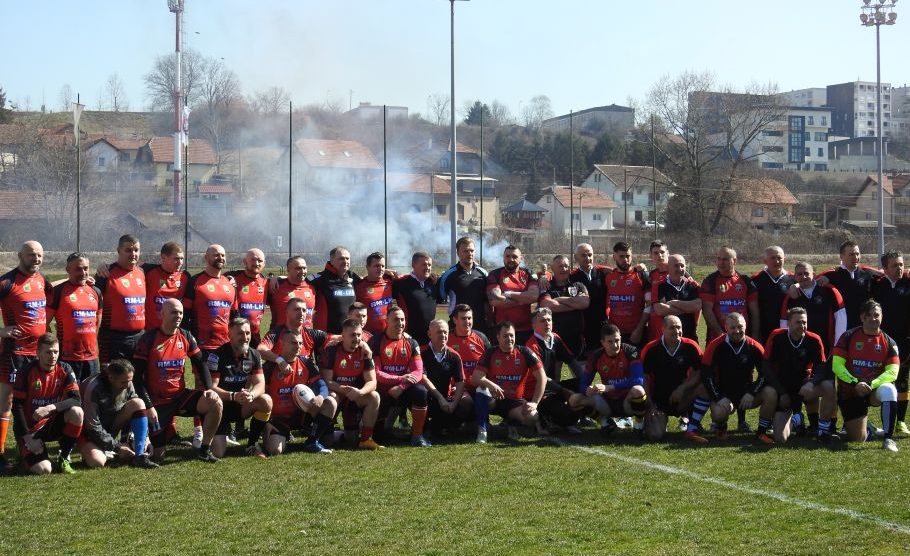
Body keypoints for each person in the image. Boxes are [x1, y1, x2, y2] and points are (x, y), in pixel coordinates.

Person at [132, 299, 223, 463]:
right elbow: (137, 378)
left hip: (180, 397)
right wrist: (149, 406)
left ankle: (204, 449)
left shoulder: (186, 335)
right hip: (157, 403)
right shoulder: (148, 339)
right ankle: (139, 438)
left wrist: (209, 388)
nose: (179, 316)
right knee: (158, 455)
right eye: (174, 312)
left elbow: (200, 364)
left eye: (181, 312)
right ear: (162, 314)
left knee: (215, 402)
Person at [0, 240, 53, 472]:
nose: (36, 259)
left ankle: (30, 447)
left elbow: (53, 297)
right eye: (31, 255)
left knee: (35, 401)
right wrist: (1, 331)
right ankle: (0, 454)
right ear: (19, 255)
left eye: (39, 255)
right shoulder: (7, 282)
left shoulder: (42, 280)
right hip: (14, 353)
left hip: (38, 352)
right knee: (7, 401)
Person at [689, 313, 777, 444]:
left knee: (771, 393)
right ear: (726, 328)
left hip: (746, 394)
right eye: (732, 327)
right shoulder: (715, 345)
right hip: (724, 393)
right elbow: (706, 375)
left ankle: (761, 432)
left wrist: (752, 392)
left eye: (740, 326)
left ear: (745, 326)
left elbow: (765, 374)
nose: (737, 331)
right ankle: (721, 428)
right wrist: (719, 397)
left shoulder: (755, 346)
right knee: (718, 413)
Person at [699, 246, 760, 432]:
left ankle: (742, 421)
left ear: (735, 261)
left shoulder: (746, 281)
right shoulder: (710, 281)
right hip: (719, 339)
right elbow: (707, 310)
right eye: (718, 258)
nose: (721, 262)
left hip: (742, 338)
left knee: (745, 374)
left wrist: (755, 336)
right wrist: (721, 334)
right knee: (718, 375)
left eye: (725, 259)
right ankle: (718, 419)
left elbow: (754, 311)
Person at [831, 300, 901, 451]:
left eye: (877, 315)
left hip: (872, 390)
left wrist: (871, 384)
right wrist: (855, 382)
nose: (873, 318)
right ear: (862, 317)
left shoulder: (889, 342)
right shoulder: (848, 336)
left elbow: (893, 372)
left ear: (882, 316)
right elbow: (837, 365)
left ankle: (888, 439)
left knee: (889, 390)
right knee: (858, 438)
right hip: (850, 391)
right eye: (869, 315)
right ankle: (868, 429)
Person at [11, 334, 83, 475]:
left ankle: (64, 458)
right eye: (48, 352)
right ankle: (23, 452)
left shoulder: (65, 369)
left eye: (56, 352)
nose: (53, 356)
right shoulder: (25, 372)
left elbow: (76, 399)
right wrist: (27, 437)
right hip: (30, 429)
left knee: (77, 412)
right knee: (44, 469)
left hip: (51, 424)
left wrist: (51, 407)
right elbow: (16, 406)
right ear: (38, 353)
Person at [764, 307, 836, 443]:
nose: (802, 325)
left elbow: (822, 367)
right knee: (780, 438)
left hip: (804, 386)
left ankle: (820, 429)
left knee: (828, 385)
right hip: (783, 387)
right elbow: (766, 367)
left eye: (804, 322)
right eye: (798, 322)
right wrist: (781, 392)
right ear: (788, 323)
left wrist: (811, 383)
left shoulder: (814, 339)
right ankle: (796, 418)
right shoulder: (777, 336)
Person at [207, 318, 273, 458]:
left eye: (248, 333)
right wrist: (233, 395)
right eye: (240, 333)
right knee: (218, 453)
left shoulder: (254, 354)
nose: (245, 337)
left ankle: (252, 444)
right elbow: (212, 388)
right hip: (219, 407)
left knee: (266, 400)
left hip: (241, 405)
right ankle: (213, 434)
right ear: (229, 334)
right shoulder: (216, 356)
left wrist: (251, 395)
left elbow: (260, 384)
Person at [263, 329, 337, 455]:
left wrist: (320, 396)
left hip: (303, 414)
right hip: (279, 419)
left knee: (330, 402)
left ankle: (312, 441)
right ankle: (269, 431)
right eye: (293, 343)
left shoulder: (306, 362)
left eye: (300, 343)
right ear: (282, 343)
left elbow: (322, 385)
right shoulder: (270, 366)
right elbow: (261, 395)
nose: (298, 346)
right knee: (275, 450)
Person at [368, 306, 431, 447]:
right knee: (380, 437)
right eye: (396, 319)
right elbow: (376, 373)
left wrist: (401, 386)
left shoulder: (411, 342)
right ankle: (378, 429)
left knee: (421, 392)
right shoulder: (376, 341)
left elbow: (418, 371)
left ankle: (417, 436)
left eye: (402, 320)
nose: (400, 323)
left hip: (403, 388)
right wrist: (399, 379)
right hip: (383, 389)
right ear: (387, 321)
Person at [473, 321, 546, 443]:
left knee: (532, 417)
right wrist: (491, 385)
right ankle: (483, 429)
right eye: (505, 336)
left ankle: (508, 424)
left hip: (515, 402)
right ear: (498, 337)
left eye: (512, 335)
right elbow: (475, 377)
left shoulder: (525, 352)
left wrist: (535, 402)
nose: (509, 339)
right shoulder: (490, 353)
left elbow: (542, 377)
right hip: (494, 399)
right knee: (481, 389)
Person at [569, 323, 648, 436]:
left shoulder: (631, 351)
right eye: (610, 342)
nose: (615, 345)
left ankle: (639, 425)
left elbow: (638, 380)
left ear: (620, 338)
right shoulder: (596, 356)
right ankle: (605, 423)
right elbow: (583, 383)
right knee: (574, 400)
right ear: (602, 342)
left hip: (627, 401)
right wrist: (587, 390)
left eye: (617, 340)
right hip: (607, 403)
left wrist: (609, 387)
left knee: (638, 390)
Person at [79, 359, 158, 469]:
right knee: (97, 461)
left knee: (138, 402)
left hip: (111, 426)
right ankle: (107, 451)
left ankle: (139, 457)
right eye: (123, 382)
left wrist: (145, 438)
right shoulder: (94, 388)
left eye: (130, 381)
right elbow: (92, 427)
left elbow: (137, 411)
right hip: (88, 432)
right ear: (111, 378)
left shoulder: (127, 381)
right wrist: (117, 447)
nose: (127, 385)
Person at [322, 318, 383, 450]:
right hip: (337, 394)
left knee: (374, 396)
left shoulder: (365, 352)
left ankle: (365, 439)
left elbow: (372, 382)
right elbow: (327, 381)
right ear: (343, 336)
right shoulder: (331, 350)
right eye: (352, 335)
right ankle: (330, 432)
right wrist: (345, 390)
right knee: (327, 441)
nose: (356, 338)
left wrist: (360, 392)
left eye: (359, 335)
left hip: (354, 396)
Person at [640, 315, 703, 441]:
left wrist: (682, 388)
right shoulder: (651, 349)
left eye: (679, 327)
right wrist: (650, 405)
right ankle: (656, 420)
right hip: (659, 401)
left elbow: (700, 372)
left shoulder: (691, 346)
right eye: (672, 328)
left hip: (683, 398)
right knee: (655, 436)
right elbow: (643, 378)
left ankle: (693, 424)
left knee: (703, 388)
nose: (677, 331)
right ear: (662, 329)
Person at [524, 308, 583, 432]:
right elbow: (542, 378)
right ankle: (547, 417)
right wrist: (563, 391)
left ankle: (580, 414)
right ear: (533, 325)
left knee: (582, 384)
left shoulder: (555, 338)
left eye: (549, 320)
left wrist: (585, 382)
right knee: (568, 416)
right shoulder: (532, 345)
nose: (547, 323)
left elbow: (571, 361)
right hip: (538, 393)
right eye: (543, 321)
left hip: (553, 388)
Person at [871, 250, 910, 435]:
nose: (899, 268)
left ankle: (900, 421)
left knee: (902, 379)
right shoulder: (876, 285)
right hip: (882, 340)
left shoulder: (908, 283)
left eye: (901, 264)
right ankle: (876, 420)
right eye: (895, 265)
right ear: (885, 268)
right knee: (882, 379)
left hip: (905, 340)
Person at [48, 252, 103, 381]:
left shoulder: (96, 291)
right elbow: (44, 323)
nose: (83, 273)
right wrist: (52, 345)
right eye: (78, 269)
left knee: (90, 392)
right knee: (69, 393)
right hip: (67, 358)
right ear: (68, 269)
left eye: (86, 268)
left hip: (92, 359)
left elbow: (97, 325)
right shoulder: (58, 292)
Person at [95, 234, 147, 363]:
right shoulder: (105, 273)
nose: (133, 254)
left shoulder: (142, 272)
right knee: (113, 375)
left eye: (136, 250)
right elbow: (93, 303)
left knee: (138, 374)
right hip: (113, 339)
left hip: (140, 337)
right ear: (119, 251)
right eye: (128, 250)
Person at [779, 262, 846, 355]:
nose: (803, 277)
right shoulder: (791, 296)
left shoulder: (829, 290)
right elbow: (784, 322)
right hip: (800, 345)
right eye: (800, 274)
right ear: (795, 277)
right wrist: (788, 344)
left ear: (814, 275)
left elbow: (841, 318)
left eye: (806, 273)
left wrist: (837, 345)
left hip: (826, 344)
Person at [420, 319, 470, 437]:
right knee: (419, 394)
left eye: (445, 332)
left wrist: (454, 404)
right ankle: (425, 428)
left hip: (446, 400)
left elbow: (460, 382)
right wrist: (440, 398)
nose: (443, 335)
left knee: (466, 404)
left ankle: (438, 427)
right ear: (429, 334)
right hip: (427, 397)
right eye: (439, 332)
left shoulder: (454, 356)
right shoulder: (421, 353)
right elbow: (423, 378)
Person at [817, 240, 880, 328]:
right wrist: (797, 286)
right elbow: (808, 283)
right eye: (851, 254)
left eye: (857, 254)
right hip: (841, 325)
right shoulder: (831, 276)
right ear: (841, 256)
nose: (855, 257)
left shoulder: (868, 275)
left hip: (864, 325)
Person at [538, 254, 590, 357]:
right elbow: (547, 305)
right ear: (552, 268)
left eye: (566, 266)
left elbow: (585, 303)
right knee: (555, 366)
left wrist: (559, 300)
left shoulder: (578, 285)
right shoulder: (546, 286)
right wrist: (574, 304)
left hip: (576, 339)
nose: (564, 269)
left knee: (579, 367)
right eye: (560, 266)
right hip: (554, 338)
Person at [486, 245, 539, 344]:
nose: (511, 259)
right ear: (503, 257)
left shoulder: (529, 273)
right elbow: (495, 300)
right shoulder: (495, 274)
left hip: (525, 330)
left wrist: (508, 294)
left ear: (521, 258)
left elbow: (533, 296)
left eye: (514, 256)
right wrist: (522, 300)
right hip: (502, 331)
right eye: (508, 256)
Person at [603, 242, 651, 347]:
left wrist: (639, 329)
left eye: (628, 256)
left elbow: (649, 304)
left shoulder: (640, 276)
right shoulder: (608, 277)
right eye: (621, 256)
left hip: (636, 332)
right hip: (615, 335)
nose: (625, 259)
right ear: (614, 257)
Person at [439, 236, 490, 335]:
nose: (469, 254)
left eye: (472, 251)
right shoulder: (449, 275)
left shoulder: (483, 273)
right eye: (465, 251)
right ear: (458, 253)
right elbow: (441, 296)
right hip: (457, 329)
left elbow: (488, 300)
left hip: (480, 327)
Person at [570, 243, 612, 357]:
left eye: (590, 255)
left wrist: (640, 268)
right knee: (586, 361)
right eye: (583, 255)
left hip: (603, 324)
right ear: (576, 257)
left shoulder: (604, 273)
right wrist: (543, 278)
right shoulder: (571, 278)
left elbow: (623, 271)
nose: (587, 258)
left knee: (606, 358)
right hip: (583, 327)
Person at [650, 254, 701, 342]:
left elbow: (697, 306)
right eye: (676, 266)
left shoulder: (692, 285)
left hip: (689, 337)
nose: (680, 269)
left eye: (682, 266)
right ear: (668, 268)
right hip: (666, 338)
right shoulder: (659, 286)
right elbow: (660, 310)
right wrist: (688, 309)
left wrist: (674, 303)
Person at [751, 246, 796, 345]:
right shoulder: (755, 280)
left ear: (784, 259)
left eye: (779, 258)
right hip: (764, 331)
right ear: (765, 261)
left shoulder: (793, 279)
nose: (777, 261)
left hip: (789, 331)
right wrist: (755, 334)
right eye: (773, 258)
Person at [310, 246, 360, 334]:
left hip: (350, 335)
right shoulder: (319, 279)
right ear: (332, 260)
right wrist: (281, 280)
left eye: (347, 258)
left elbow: (369, 281)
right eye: (341, 258)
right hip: (328, 336)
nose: (345, 261)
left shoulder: (352, 277)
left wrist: (383, 273)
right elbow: (297, 283)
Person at [142, 242, 191, 332]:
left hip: (174, 332)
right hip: (151, 331)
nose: (180, 262)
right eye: (176, 258)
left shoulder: (185, 277)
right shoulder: (148, 271)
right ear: (163, 257)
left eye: (182, 259)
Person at [393, 251, 440, 345]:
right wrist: (385, 272)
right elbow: (379, 281)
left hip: (430, 338)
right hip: (409, 338)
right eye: (424, 264)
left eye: (429, 265)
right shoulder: (401, 282)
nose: (427, 267)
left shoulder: (433, 283)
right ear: (413, 265)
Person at [227, 248, 269, 347]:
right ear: (245, 262)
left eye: (260, 261)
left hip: (254, 338)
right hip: (233, 338)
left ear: (264, 263)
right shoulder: (233, 279)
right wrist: (226, 278)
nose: (257, 263)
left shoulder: (267, 283)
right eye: (253, 260)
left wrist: (277, 278)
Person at [447, 303, 491, 396]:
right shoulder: (446, 339)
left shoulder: (481, 338)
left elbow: (491, 362)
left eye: (469, 318)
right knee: (466, 401)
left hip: (479, 386)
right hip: (456, 387)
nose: (467, 321)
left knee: (489, 400)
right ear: (455, 320)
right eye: (463, 318)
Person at [267, 255, 316, 330]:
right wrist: (275, 278)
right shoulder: (276, 286)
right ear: (288, 269)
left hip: (305, 336)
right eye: (298, 268)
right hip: (282, 336)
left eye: (304, 268)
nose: (302, 271)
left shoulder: (312, 287)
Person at [354, 252, 394, 336]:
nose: (380, 269)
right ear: (367, 267)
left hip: (388, 335)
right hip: (368, 336)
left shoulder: (390, 282)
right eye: (377, 266)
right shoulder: (358, 286)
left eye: (382, 266)